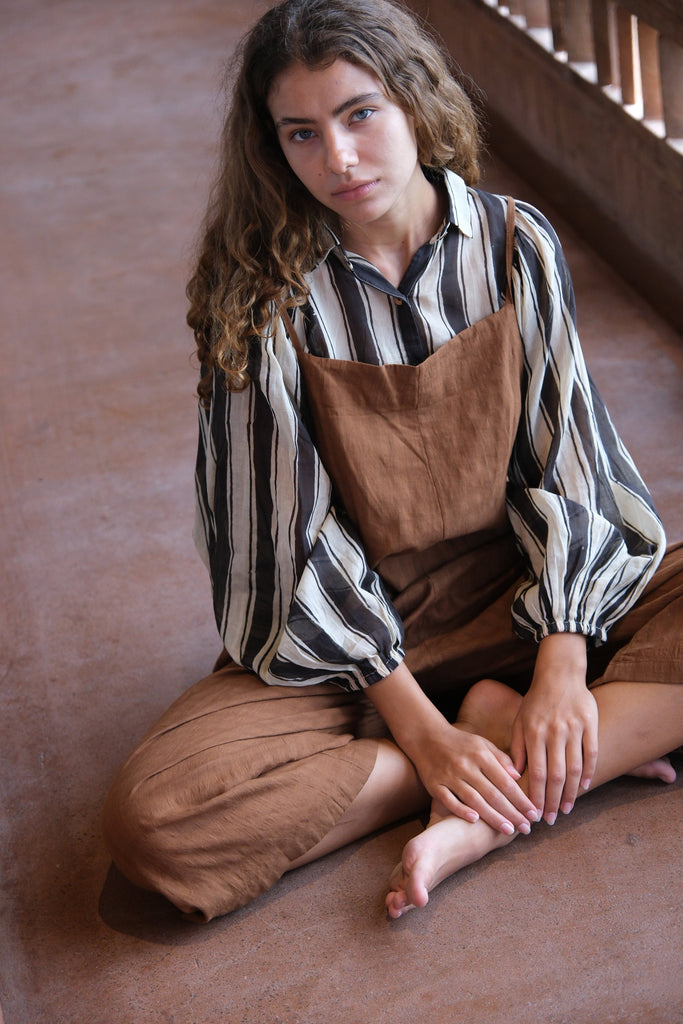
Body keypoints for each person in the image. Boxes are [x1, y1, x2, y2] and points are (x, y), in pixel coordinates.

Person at [102, 0, 682, 922]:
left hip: (523, 598)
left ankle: (487, 810)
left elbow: (571, 463)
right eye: (301, 132)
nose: (336, 158)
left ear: (414, 102)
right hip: (355, 648)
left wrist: (562, 670)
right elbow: (285, 549)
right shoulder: (259, 300)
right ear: (272, 147)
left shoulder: (512, 243)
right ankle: (486, 750)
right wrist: (426, 732)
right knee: (156, 824)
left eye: (359, 113)